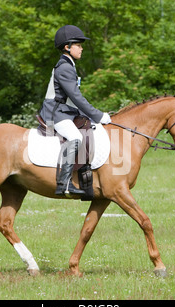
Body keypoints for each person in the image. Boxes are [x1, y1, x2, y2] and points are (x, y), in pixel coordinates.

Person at [39, 25, 111, 197]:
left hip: (65, 111)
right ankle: (63, 183)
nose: (82, 48)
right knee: (76, 138)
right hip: (55, 114)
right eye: (78, 45)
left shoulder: (68, 65)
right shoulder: (64, 67)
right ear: (67, 47)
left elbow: (74, 99)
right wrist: (99, 115)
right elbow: (77, 97)